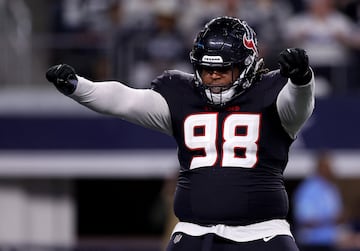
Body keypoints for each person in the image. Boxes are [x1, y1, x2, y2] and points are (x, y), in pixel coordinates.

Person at [46, 16, 315, 251]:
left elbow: (298, 103)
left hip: (262, 234)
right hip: (193, 232)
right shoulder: (182, 95)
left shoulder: (272, 93)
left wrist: (302, 79)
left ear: (246, 65)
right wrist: (78, 86)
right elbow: (126, 100)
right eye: (206, 68)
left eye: (222, 69)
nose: (212, 76)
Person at [293, 151, 344, 251]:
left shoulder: (332, 188)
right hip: (313, 243)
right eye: (327, 167)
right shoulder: (307, 189)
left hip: (332, 241)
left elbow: (338, 213)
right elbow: (305, 220)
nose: (331, 170)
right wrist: (330, 220)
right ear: (320, 167)